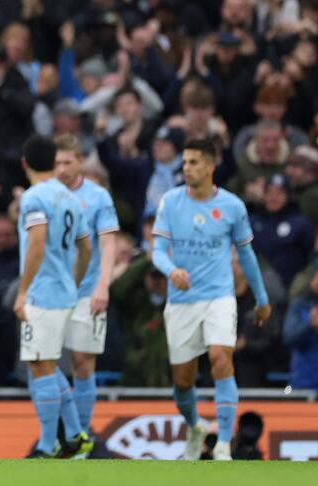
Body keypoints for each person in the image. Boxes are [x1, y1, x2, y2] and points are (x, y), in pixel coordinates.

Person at [151, 139, 271, 461]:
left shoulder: (232, 206)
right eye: (184, 162)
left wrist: (261, 297)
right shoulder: (170, 202)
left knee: (221, 359)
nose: (186, 168)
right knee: (183, 381)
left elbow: (245, 255)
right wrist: (171, 269)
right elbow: (158, 252)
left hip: (219, 296)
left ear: (210, 165)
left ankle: (222, 446)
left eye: (192, 162)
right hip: (181, 301)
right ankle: (195, 427)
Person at [13, 135, 92, 459]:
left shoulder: (33, 198)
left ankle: (49, 444)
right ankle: (75, 433)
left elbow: (37, 243)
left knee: (39, 366)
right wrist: (73, 280)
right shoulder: (72, 198)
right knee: (47, 363)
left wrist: (22, 291)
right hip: (63, 290)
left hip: (42, 293)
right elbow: (86, 248)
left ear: (24, 164)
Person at [53, 134, 119, 438]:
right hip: (51, 291)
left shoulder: (98, 197)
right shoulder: (43, 194)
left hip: (86, 289)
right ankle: (63, 429)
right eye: (56, 163)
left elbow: (107, 243)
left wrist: (102, 285)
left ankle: (80, 435)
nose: (62, 168)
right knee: (42, 363)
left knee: (82, 362)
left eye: (68, 162)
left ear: (80, 162)